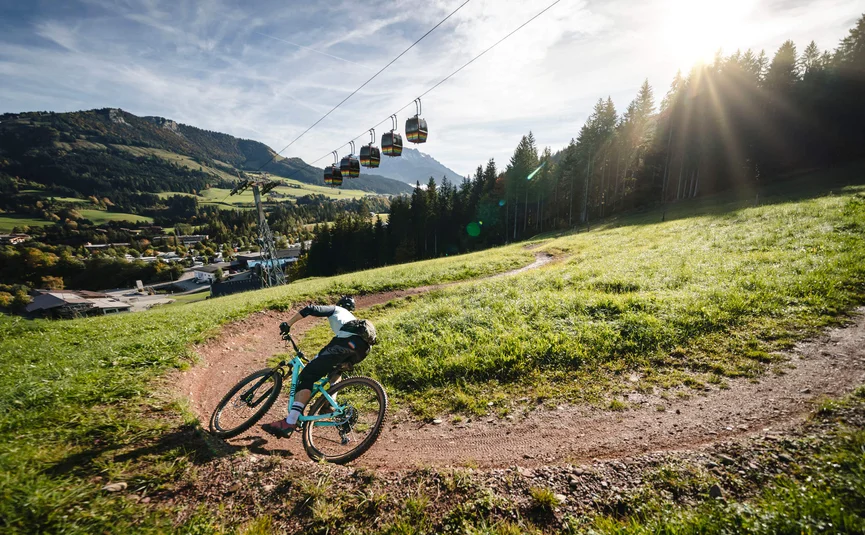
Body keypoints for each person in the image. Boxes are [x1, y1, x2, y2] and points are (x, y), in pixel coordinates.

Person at [261, 295, 373, 439]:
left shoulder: (337, 310)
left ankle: (290, 421)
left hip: (347, 341)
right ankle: (330, 403)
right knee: (336, 371)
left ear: (340, 304)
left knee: (308, 376)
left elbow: (311, 309)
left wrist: (288, 324)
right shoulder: (352, 319)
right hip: (362, 349)